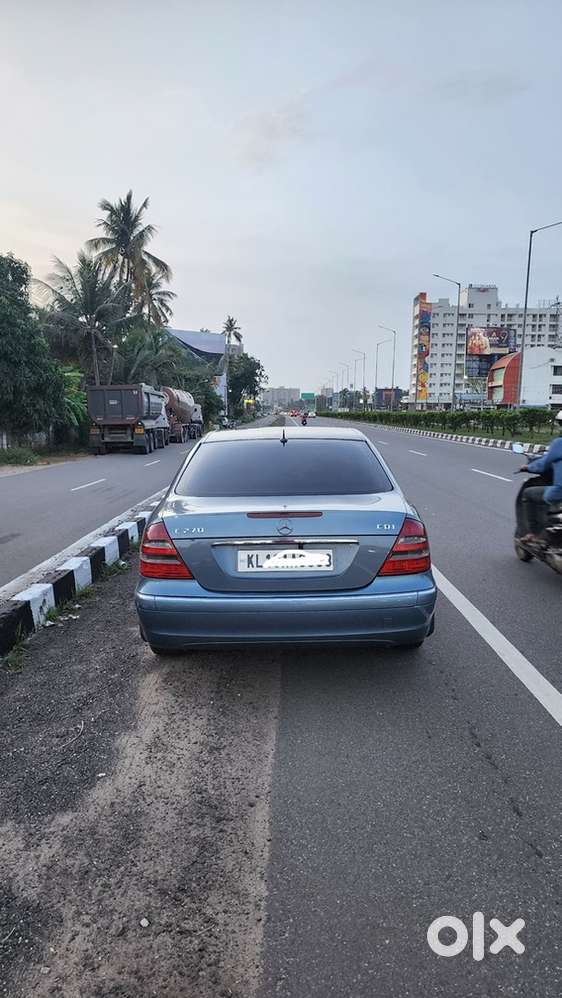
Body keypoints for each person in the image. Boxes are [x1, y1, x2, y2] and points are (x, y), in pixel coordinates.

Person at [520, 410, 562, 542]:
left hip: (559, 492)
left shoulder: (559, 443)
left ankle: (534, 533)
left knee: (528, 493)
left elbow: (544, 464)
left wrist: (528, 467)